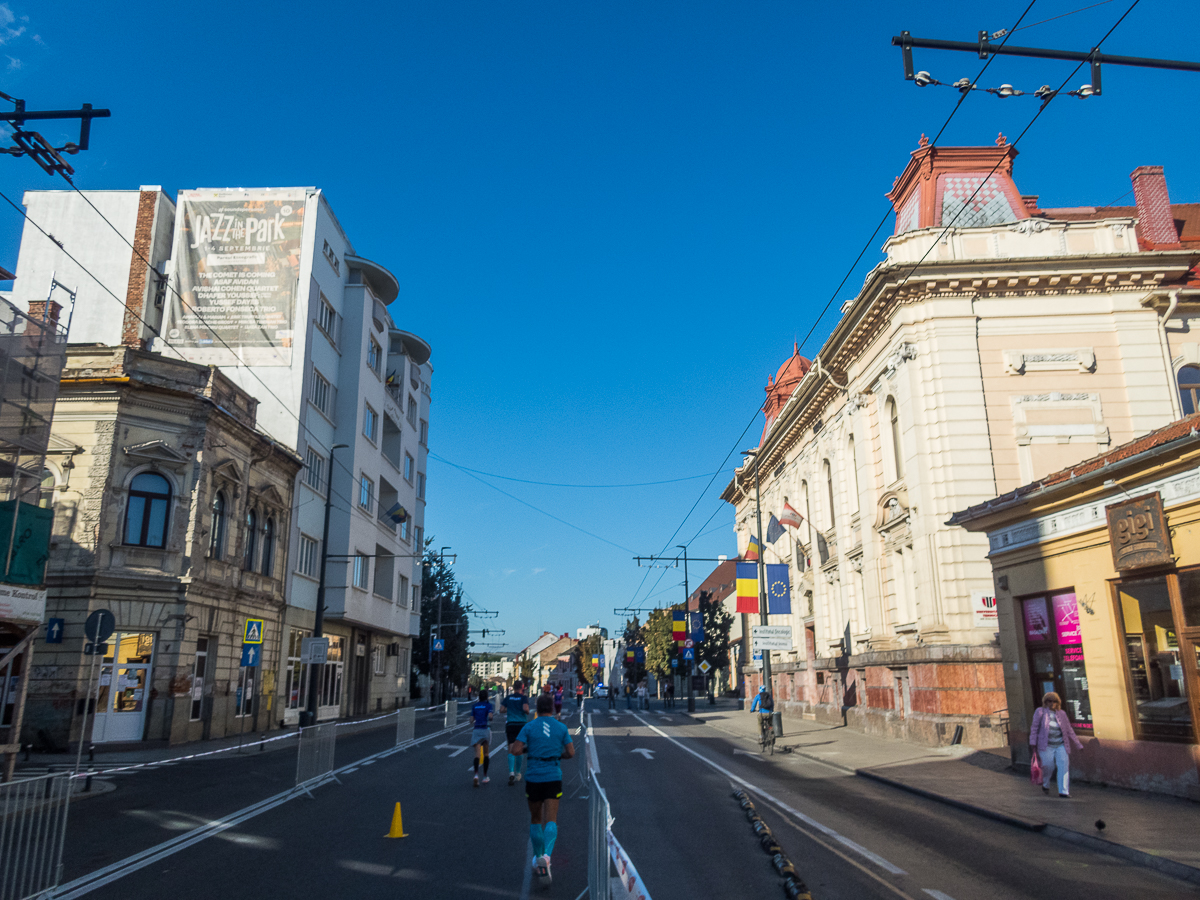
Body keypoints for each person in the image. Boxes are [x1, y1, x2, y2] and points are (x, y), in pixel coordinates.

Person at [511, 693, 575, 888]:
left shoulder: (529, 726)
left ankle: (537, 856)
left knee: (535, 818)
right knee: (552, 819)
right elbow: (571, 752)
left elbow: (515, 750)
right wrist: (557, 755)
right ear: (553, 709)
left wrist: (531, 750)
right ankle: (546, 857)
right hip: (553, 775)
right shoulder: (561, 727)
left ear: (536, 709)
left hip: (534, 776)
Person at [1029, 691, 1083, 797]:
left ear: (1058, 702)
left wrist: (1078, 744)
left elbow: (1069, 730)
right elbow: (1034, 728)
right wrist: (1032, 742)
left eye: (1054, 701)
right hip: (1046, 745)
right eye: (1049, 701)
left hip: (1061, 744)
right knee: (1048, 766)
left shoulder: (1062, 713)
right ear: (1045, 702)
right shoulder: (1040, 712)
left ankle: (1063, 791)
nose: (1052, 703)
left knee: (1063, 766)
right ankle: (1045, 783)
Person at [503, 681, 531, 786]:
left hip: (510, 724)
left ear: (513, 688)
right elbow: (526, 709)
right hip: (521, 725)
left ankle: (511, 772)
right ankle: (518, 773)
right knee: (519, 748)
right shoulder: (523, 698)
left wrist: (510, 709)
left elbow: (501, 709)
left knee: (511, 747)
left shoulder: (509, 698)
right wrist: (527, 712)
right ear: (522, 687)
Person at [470, 686, 494, 786]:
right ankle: (485, 776)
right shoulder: (489, 706)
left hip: (476, 729)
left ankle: (476, 775)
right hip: (485, 729)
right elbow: (490, 717)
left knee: (477, 754)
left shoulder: (474, 706)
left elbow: (471, 720)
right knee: (486, 753)